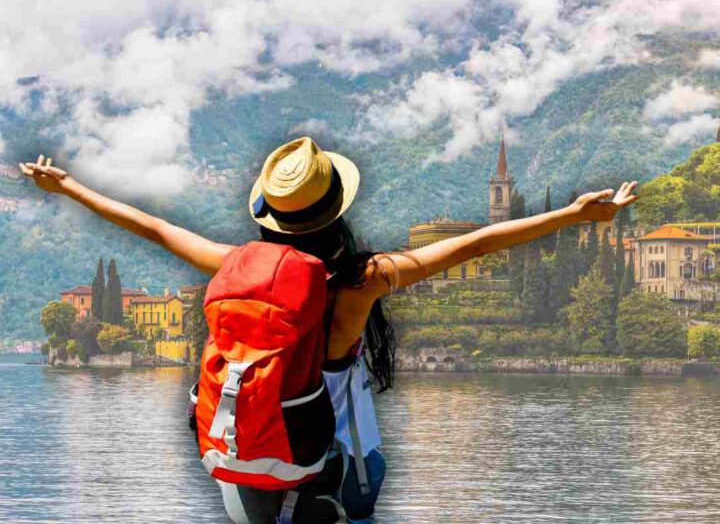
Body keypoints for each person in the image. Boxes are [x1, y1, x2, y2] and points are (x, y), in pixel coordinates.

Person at [19, 137, 639, 522]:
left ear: (270, 216)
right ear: (335, 208)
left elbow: (152, 227)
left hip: (245, 460)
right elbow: (475, 242)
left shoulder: (234, 263)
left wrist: (67, 185)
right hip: (333, 470)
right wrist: (574, 213)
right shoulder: (360, 280)